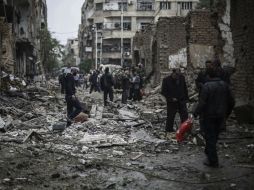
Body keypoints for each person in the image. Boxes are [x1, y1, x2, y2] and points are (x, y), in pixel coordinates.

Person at [194, 67, 235, 167]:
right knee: (215, 136)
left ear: (208, 76)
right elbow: (232, 101)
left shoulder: (207, 86)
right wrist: (227, 114)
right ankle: (209, 153)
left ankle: (213, 161)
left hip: (209, 116)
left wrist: (195, 113)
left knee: (210, 137)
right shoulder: (225, 85)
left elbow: (202, 103)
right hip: (221, 116)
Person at [161, 69, 189, 135]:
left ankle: (184, 129)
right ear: (173, 73)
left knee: (184, 116)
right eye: (176, 75)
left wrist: (186, 99)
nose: (177, 77)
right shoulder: (166, 80)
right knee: (170, 116)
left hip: (181, 100)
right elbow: (163, 92)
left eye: (179, 75)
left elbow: (185, 88)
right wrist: (170, 98)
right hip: (172, 102)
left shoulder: (182, 78)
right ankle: (169, 130)